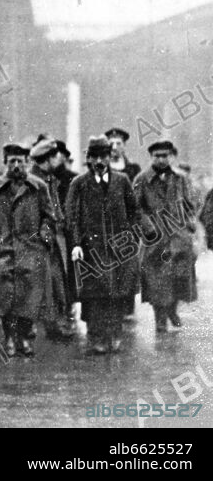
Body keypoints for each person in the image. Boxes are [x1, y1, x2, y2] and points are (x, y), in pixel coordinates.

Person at [66, 136, 144, 355]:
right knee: (94, 295)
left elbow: (135, 212)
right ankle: (96, 336)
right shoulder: (79, 183)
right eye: (95, 157)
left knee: (118, 293)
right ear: (88, 159)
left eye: (103, 156)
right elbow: (71, 217)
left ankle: (115, 334)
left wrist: (132, 238)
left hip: (119, 248)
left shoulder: (122, 180)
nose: (99, 161)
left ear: (110, 157)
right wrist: (76, 243)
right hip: (91, 249)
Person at [0, 144, 56, 358]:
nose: (16, 165)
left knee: (29, 296)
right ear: (5, 162)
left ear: (27, 162)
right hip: (5, 249)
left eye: (20, 161)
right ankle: (10, 337)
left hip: (31, 249)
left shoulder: (38, 186)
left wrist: (43, 239)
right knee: (6, 297)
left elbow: (49, 217)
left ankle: (26, 337)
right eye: (12, 161)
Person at [132, 140, 197, 334]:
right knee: (156, 280)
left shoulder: (181, 178)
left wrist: (187, 223)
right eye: (157, 156)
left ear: (171, 156)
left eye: (165, 156)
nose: (161, 159)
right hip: (155, 238)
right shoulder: (142, 179)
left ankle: (172, 310)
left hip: (178, 237)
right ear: (151, 157)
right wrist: (148, 227)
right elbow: (136, 208)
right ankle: (160, 318)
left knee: (179, 276)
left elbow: (190, 202)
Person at [29, 139, 75, 341]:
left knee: (56, 282)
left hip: (52, 236)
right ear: (48, 159)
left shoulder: (49, 178)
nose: (60, 159)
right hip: (40, 239)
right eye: (56, 156)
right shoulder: (33, 181)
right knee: (46, 282)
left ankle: (54, 323)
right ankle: (49, 325)